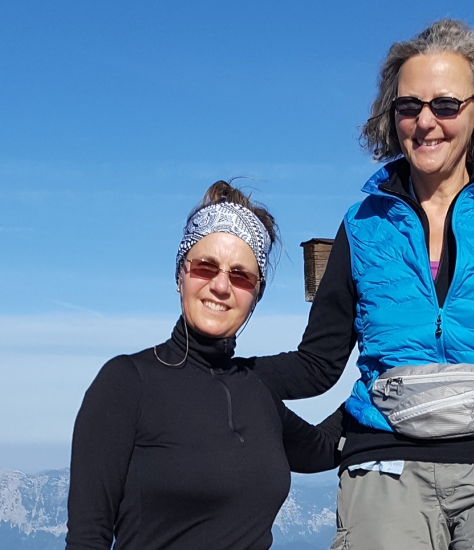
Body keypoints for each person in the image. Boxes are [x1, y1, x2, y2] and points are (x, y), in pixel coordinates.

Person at [250, 20, 474, 550]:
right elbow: (319, 362)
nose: (426, 123)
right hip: (384, 461)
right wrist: (232, 374)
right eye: (409, 107)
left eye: (446, 105)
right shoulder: (364, 224)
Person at [65, 181, 338, 550]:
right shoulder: (128, 383)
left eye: (241, 275)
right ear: (180, 275)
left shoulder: (257, 390)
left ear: (255, 294)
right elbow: (88, 537)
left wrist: (388, 375)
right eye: (205, 267)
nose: (221, 286)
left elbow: (325, 448)